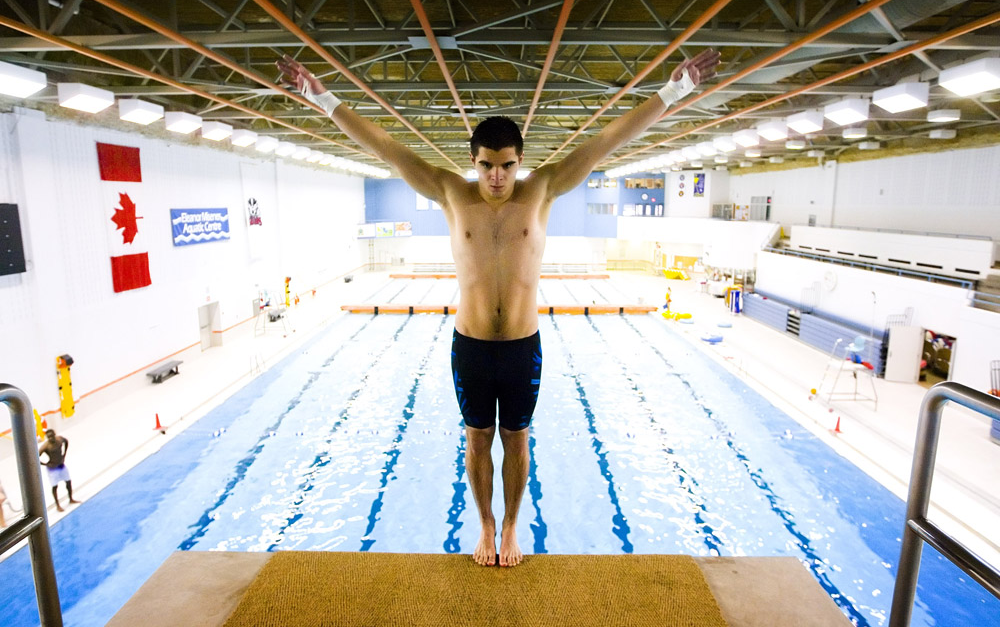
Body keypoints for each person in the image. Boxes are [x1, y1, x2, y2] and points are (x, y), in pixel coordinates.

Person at [276, 48, 721, 567]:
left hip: (521, 349)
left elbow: (607, 140)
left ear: (520, 161)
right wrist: (321, 97)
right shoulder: (450, 193)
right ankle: (484, 525)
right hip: (469, 347)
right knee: (476, 440)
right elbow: (388, 148)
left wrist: (672, 92)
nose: (496, 177)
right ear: (474, 161)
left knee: (517, 441)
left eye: (507, 165)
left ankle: (511, 526)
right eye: (486, 165)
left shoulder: (542, 190)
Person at [38, 428, 79, 512]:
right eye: (48, 437)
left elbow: (66, 441)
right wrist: (46, 464)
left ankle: (71, 499)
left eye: (52, 436)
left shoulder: (60, 439)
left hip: (61, 465)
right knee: (55, 486)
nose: (50, 438)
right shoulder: (46, 446)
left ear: (54, 435)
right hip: (52, 468)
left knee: (68, 481)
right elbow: (35, 457)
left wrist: (64, 454)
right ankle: (57, 505)